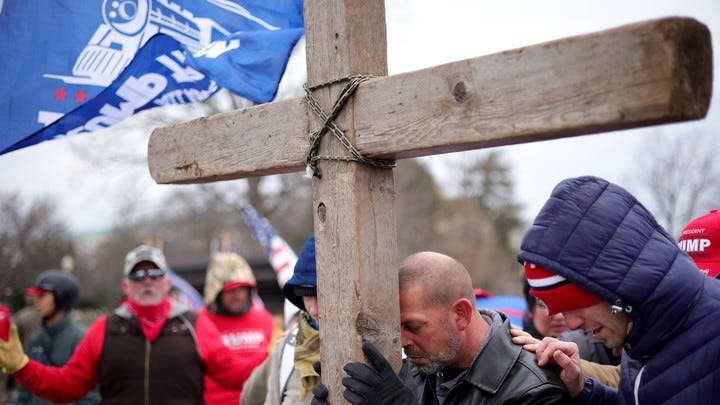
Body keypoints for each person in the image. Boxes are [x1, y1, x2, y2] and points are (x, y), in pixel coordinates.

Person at [517, 175, 720, 403]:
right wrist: (581, 389)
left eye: (573, 306)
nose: (572, 325)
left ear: (612, 288)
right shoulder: (640, 334)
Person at [0, 244, 263, 404]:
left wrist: (278, 354)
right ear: (126, 285)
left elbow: (234, 374)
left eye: (154, 273)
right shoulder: (104, 329)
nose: (146, 280)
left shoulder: (194, 323)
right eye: (138, 275)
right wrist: (22, 367)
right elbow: (67, 386)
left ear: (166, 282)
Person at [317, 251, 569, 404]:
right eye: (398, 328)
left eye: (414, 326)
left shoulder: (535, 389)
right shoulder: (414, 372)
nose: (403, 342)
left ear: (460, 314)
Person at [241, 234, 321, 405]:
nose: (313, 309)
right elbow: (248, 398)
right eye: (306, 296)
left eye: (320, 294)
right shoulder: (289, 346)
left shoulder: (381, 345)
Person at [17, 270, 100, 405]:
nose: (36, 301)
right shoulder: (36, 339)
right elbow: (24, 390)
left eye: (42, 296)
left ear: (61, 298)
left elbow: (91, 395)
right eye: (36, 296)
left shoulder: (81, 339)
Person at [202, 251, 275, 404]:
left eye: (242, 289)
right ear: (216, 292)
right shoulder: (201, 321)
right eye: (231, 290)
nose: (237, 296)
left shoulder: (265, 319)